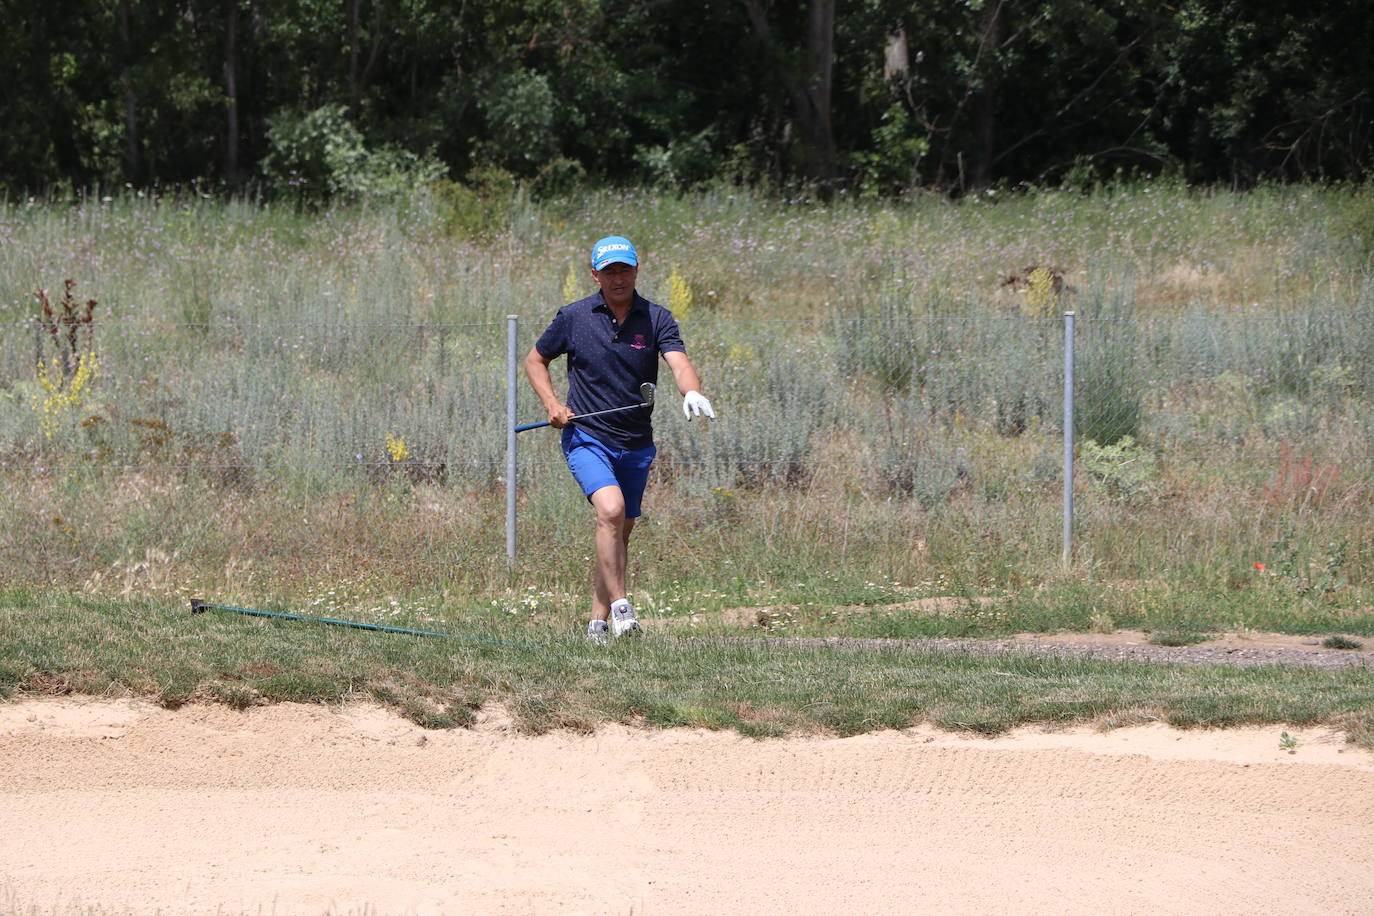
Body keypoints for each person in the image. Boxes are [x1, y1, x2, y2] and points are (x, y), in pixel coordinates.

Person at [525, 235, 715, 643]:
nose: (618, 278)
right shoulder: (574, 317)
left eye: (624, 269)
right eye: (609, 271)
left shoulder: (657, 317)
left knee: (618, 531)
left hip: (636, 441)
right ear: (595, 274)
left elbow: (679, 362)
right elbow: (535, 360)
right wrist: (552, 405)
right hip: (587, 436)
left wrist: (692, 391)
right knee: (610, 511)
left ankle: (597, 626)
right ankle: (624, 612)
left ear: (636, 270)